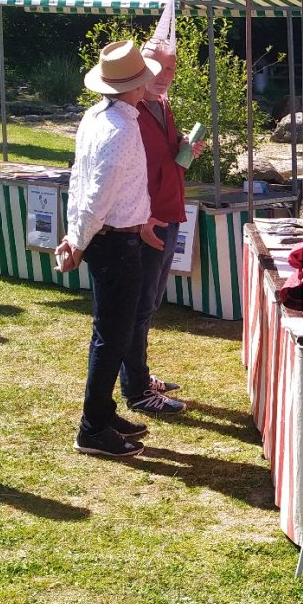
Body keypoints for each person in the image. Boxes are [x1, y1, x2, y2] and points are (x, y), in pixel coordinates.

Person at [55, 40, 165, 458]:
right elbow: (95, 195)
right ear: (134, 86)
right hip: (113, 241)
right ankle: (93, 427)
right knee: (112, 337)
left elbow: (82, 185)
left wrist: (76, 236)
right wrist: (78, 241)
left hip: (115, 237)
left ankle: (101, 413)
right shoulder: (116, 128)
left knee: (113, 335)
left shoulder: (99, 117)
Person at [118, 39, 205, 416]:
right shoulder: (130, 113)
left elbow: (165, 165)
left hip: (167, 216)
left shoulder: (161, 106)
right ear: (140, 69)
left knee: (148, 304)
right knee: (138, 307)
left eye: (172, 68)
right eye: (159, 67)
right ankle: (136, 389)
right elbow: (124, 173)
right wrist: (140, 217)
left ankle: (139, 377)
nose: (166, 76)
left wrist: (185, 151)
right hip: (146, 223)